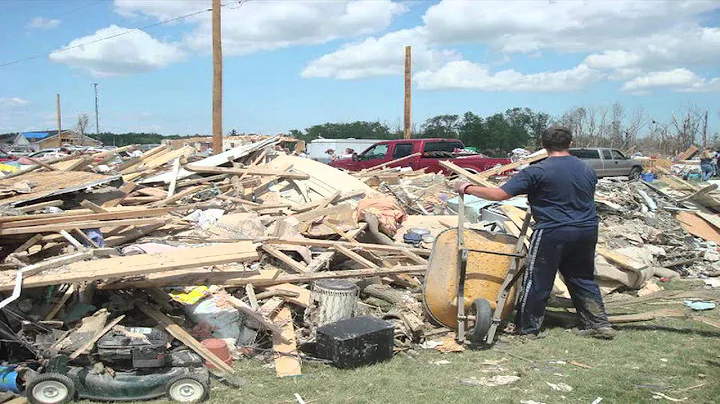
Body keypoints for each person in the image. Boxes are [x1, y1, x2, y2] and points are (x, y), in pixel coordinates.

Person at [453, 126, 615, 340]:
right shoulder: (586, 169)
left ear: (543, 145)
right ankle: (598, 324)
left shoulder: (537, 170)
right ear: (570, 144)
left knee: (538, 278)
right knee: (582, 277)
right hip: (586, 229)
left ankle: (528, 329)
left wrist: (467, 188)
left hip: (552, 230)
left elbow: (500, 194)